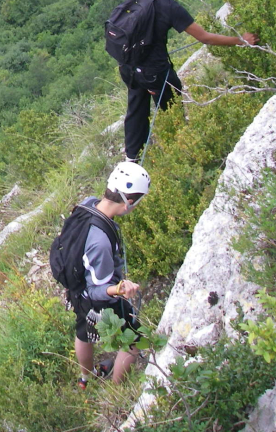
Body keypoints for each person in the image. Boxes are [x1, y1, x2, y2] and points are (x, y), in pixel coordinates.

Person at [120, 0, 259, 161]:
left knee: (136, 110)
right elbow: (205, 37)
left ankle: (132, 157)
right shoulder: (169, 5)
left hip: (130, 66)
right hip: (156, 72)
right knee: (172, 110)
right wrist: (241, 41)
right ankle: (181, 154)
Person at [74, 162, 151, 389]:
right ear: (128, 202)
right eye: (138, 200)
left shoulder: (88, 203)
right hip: (95, 296)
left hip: (77, 288)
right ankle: (116, 389)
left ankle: (85, 378)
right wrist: (120, 289)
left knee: (83, 332)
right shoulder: (101, 244)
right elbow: (99, 290)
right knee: (135, 340)